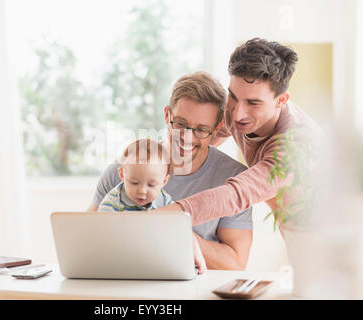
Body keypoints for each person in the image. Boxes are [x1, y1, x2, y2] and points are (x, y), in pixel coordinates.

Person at [88, 72, 253, 272]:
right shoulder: (123, 171)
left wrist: (176, 230)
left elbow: (234, 264)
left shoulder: (234, 180)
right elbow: (87, 242)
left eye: (201, 129)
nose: (187, 138)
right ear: (167, 115)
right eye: (181, 124)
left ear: (217, 129)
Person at [156, 38, 322, 228]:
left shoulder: (295, 146)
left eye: (253, 103)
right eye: (233, 97)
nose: (236, 114)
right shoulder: (234, 111)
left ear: (281, 100)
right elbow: (199, 141)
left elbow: (237, 194)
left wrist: (156, 219)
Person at [98, 138, 173, 212]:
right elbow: (102, 223)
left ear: (164, 181)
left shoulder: (165, 200)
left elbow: (176, 221)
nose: (142, 191)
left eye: (151, 185)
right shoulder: (112, 203)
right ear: (122, 175)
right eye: (134, 183)